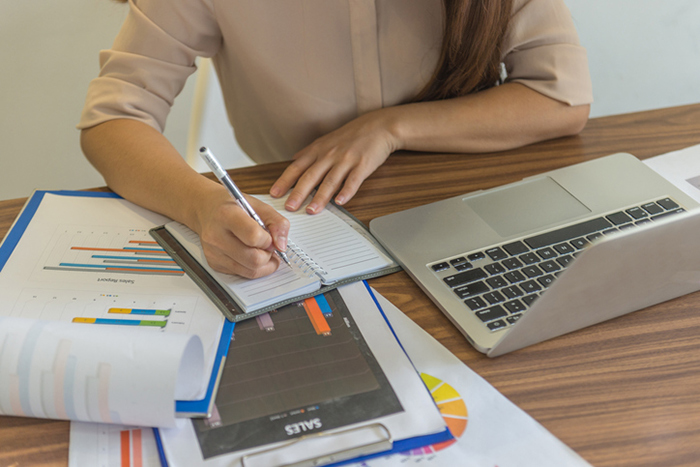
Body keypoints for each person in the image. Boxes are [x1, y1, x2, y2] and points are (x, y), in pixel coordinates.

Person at [79, 0, 592, 279]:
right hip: (312, 224)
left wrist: (392, 126)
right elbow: (113, 119)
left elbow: (561, 97)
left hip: (472, 206)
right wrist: (201, 204)